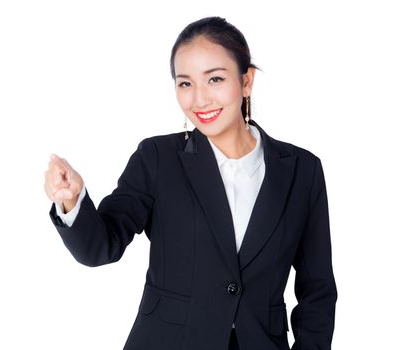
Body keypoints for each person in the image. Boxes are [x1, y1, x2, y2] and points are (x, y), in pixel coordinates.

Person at [44, 16, 337, 350]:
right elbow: (101, 246)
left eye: (214, 79)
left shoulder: (302, 170)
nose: (200, 99)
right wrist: (72, 202)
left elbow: (317, 290)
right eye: (185, 84)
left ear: (246, 81)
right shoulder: (157, 158)